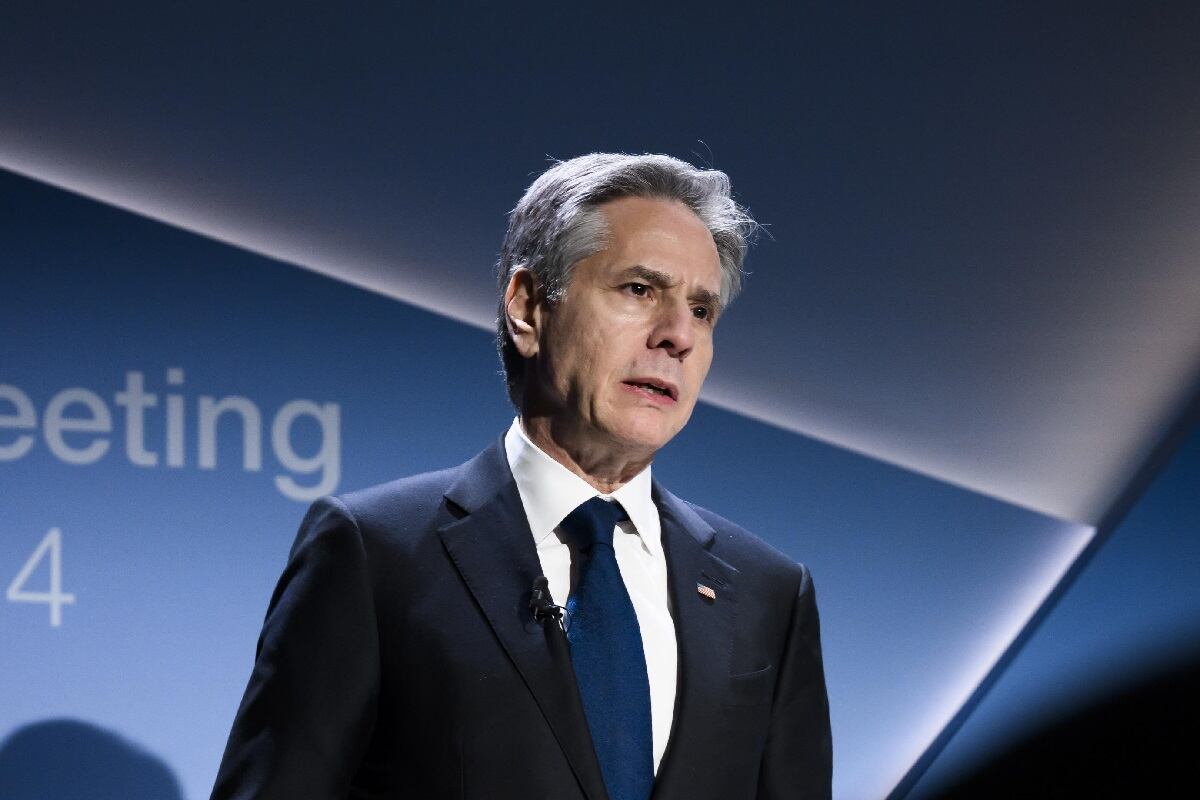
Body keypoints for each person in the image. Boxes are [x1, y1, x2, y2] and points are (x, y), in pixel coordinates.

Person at [211, 153, 832, 800]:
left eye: (702, 310)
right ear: (529, 309)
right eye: (640, 289)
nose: (678, 335)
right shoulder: (375, 556)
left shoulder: (769, 595)